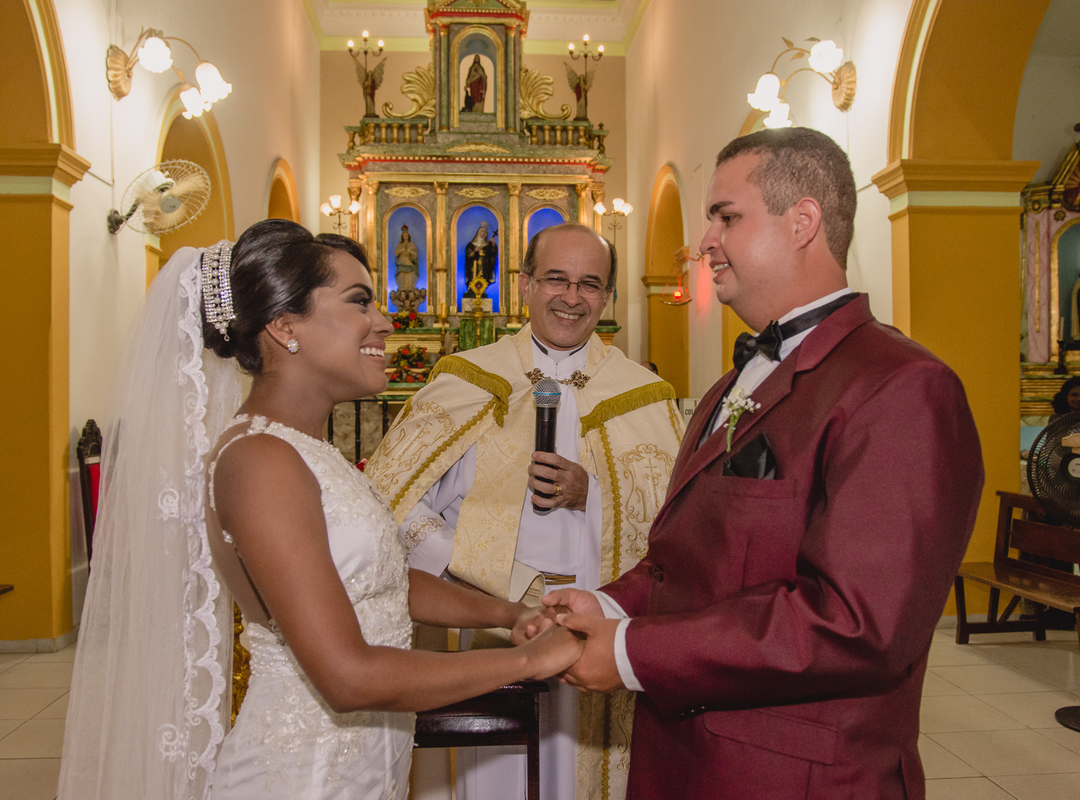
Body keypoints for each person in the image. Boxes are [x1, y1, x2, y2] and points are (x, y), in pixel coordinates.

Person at [522, 128, 984, 799]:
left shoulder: (901, 386)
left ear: (803, 222)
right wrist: (601, 604)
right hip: (683, 754)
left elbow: (858, 623)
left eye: (727, 217)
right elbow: (690, 561)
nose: (705, 240)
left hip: (787, 775)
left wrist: (628, 651)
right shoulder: (727, 387)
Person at [57, 219, 582, 800]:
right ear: (285, 328)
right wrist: (528, 663)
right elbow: (346, 675)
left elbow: (380, 583)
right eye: (358, 301)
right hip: (299, 776)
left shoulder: (304, 451)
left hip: (360, 769)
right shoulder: (259, 460)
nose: (383, 321)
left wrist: (507, 615)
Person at [366, 223, 685, 800]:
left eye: (590, 284)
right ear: (524, 284)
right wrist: (472, 574)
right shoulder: (466, 379)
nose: (572, 297)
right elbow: (393, 502)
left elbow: (673, 527)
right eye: (556, 279)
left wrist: (595, 494)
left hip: (596, 622)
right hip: (486, 624)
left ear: (607, 296)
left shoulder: (643, 395)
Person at [462, 221, 497, 298]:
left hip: (484, 267)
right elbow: (468, 256)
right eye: (481, 231)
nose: (482, 233)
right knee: (472, 280)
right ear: (478, 233)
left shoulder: (488, 245)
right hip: (473, 268)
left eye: (484, 232)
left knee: (483, 280)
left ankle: (482, 291)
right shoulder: (471, 245)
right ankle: (470, 289)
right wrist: (475, 251)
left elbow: (492, 254)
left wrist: (493, 245)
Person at [394, 224, 419, 291]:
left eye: (406, 235)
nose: (405, 237)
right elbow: (396, 253)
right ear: (402, 236)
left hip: (409, 262)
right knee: (402, 277)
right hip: (402, 262)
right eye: (404, 235)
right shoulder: (400, 244)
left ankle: (410, 289)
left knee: (409, 277)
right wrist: (401, 250)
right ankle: (402, 290)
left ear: (408, 236)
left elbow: (415, 254)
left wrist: (410, 251)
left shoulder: (411, 244)